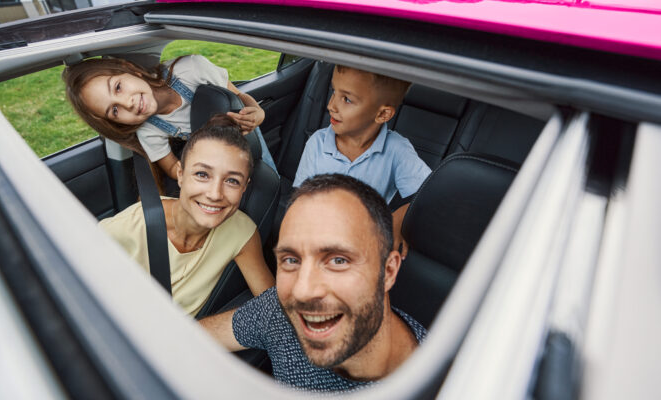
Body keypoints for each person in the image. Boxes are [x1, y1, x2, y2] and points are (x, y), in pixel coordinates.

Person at [200, 174, 426, 393]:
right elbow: (192, 338)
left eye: (338, 260)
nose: (302, 291)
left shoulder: (444, 386)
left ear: (388, 271)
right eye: (291, 260)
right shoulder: (279, 311)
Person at [99, 115, 275, 316]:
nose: (215, 194)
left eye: (232, 181)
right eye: (202, 174)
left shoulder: (243, 233)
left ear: (244, 188)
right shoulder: (130, 225)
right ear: (180, 175)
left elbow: (275, 311)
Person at [63, 55, 276, 190]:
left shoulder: (192, 69)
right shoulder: (149, 130)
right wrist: (198, 175)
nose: (127, 103)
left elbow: (238, 95)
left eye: (118, 87)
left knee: (267, 182)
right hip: (216, 163)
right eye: (115, 110)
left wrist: (257, 111)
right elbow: (172, 167)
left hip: (247, 138)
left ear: (129, 69)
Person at [293, 65, 432, 257]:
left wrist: (398, 218)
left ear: (382, 114)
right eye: (334, 91)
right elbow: (301, 197)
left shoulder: (396, 150)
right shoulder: (317, 142)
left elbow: (429, 192)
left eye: (347, 99)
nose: (331, 105)